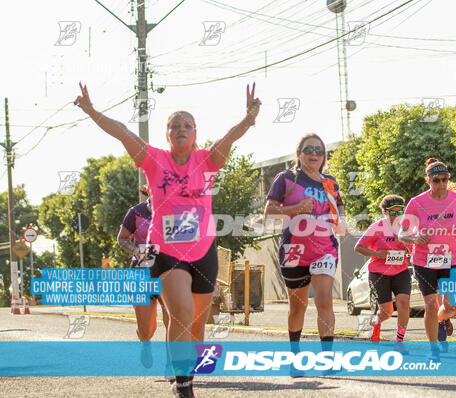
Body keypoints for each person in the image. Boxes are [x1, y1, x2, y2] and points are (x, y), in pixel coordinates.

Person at [75, 82, 260, 398]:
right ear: (167, 134)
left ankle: (184, 370)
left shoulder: (207, 160)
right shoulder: (154, 159)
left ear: (195, 133)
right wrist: (92, 112)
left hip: (203, 252)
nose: (181, 129)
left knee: (197, 329)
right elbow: (121, 132)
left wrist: (248, 118)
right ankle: (183, 386)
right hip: (167, 253)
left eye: (187, 125)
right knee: (181, 314)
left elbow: (230, 137)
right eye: (174, 125)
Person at [264, 133, 344, 355]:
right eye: (309, 150)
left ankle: (327, 357)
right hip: (294, 250)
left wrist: (340, 222)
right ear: (299, 154)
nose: (314, 154)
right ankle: (295, 354)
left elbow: (339, 209)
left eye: (319, 151)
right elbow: (269, 212)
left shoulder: (330, 182)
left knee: (325, 302)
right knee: (298, 307)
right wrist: (294, 209)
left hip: (324, 250)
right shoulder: (287, 178)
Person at [398, 158, 456, 361]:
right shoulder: (416, 203)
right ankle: (433, 349)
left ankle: (440, 319)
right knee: (430, 303)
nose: (441, 184)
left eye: (444, 179)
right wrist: (414, 237)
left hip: (450, 257)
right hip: (424, 259)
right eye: (436, 180)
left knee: (452, 307)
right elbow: (401, 234)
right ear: (427, 180)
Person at [117, 186, 170, 369]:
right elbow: (122, 238)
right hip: (141, 272)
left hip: (169, 270)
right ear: (149, 190)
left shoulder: (174, 211)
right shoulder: (135, 212)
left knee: (172, 317)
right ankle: (145, 343)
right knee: (147, 327)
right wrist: (137, 251)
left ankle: (171, 362)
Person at [354, 194, 411, 348]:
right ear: (385, 212)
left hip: (401, 271)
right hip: (379, 273)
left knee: (404, 303)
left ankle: (399, 341)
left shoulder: (406, 228)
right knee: (386, 311)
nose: (397, 215)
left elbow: (414, 247)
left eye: (400, 212)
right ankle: (376, 322)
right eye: (393, 212)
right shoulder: (376, 227)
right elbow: (358, 248)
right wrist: (377, 254)